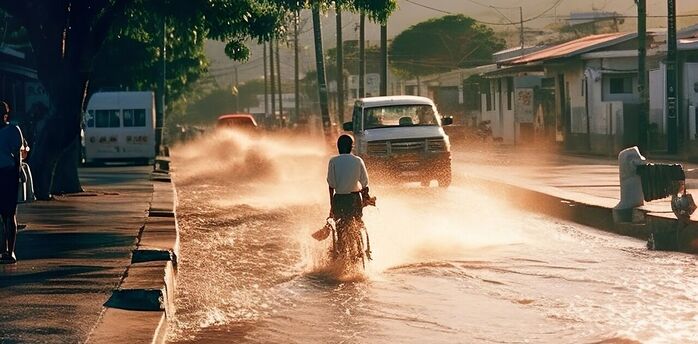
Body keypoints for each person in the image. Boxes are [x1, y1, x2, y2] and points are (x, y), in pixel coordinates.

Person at [0, 101, 25, 264]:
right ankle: (5, 250)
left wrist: (17, 174)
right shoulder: (13, 130)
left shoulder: (13, 130)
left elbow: (18, 156)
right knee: (7, 215)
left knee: (9, 214)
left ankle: (10, 250)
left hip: (8, 174)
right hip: (8, 172)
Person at [327, 134, 371, 225]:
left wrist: (332, 205)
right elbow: (364, 183)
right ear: (351, 147)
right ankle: (358, 234)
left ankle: (340, 238)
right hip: (354, 199)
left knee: (339, 223)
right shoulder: (358, 160)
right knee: (357, 222)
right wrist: (366, 197)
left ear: (338, 147)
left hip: (339, 199)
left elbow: (331, 185)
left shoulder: (333, 161)